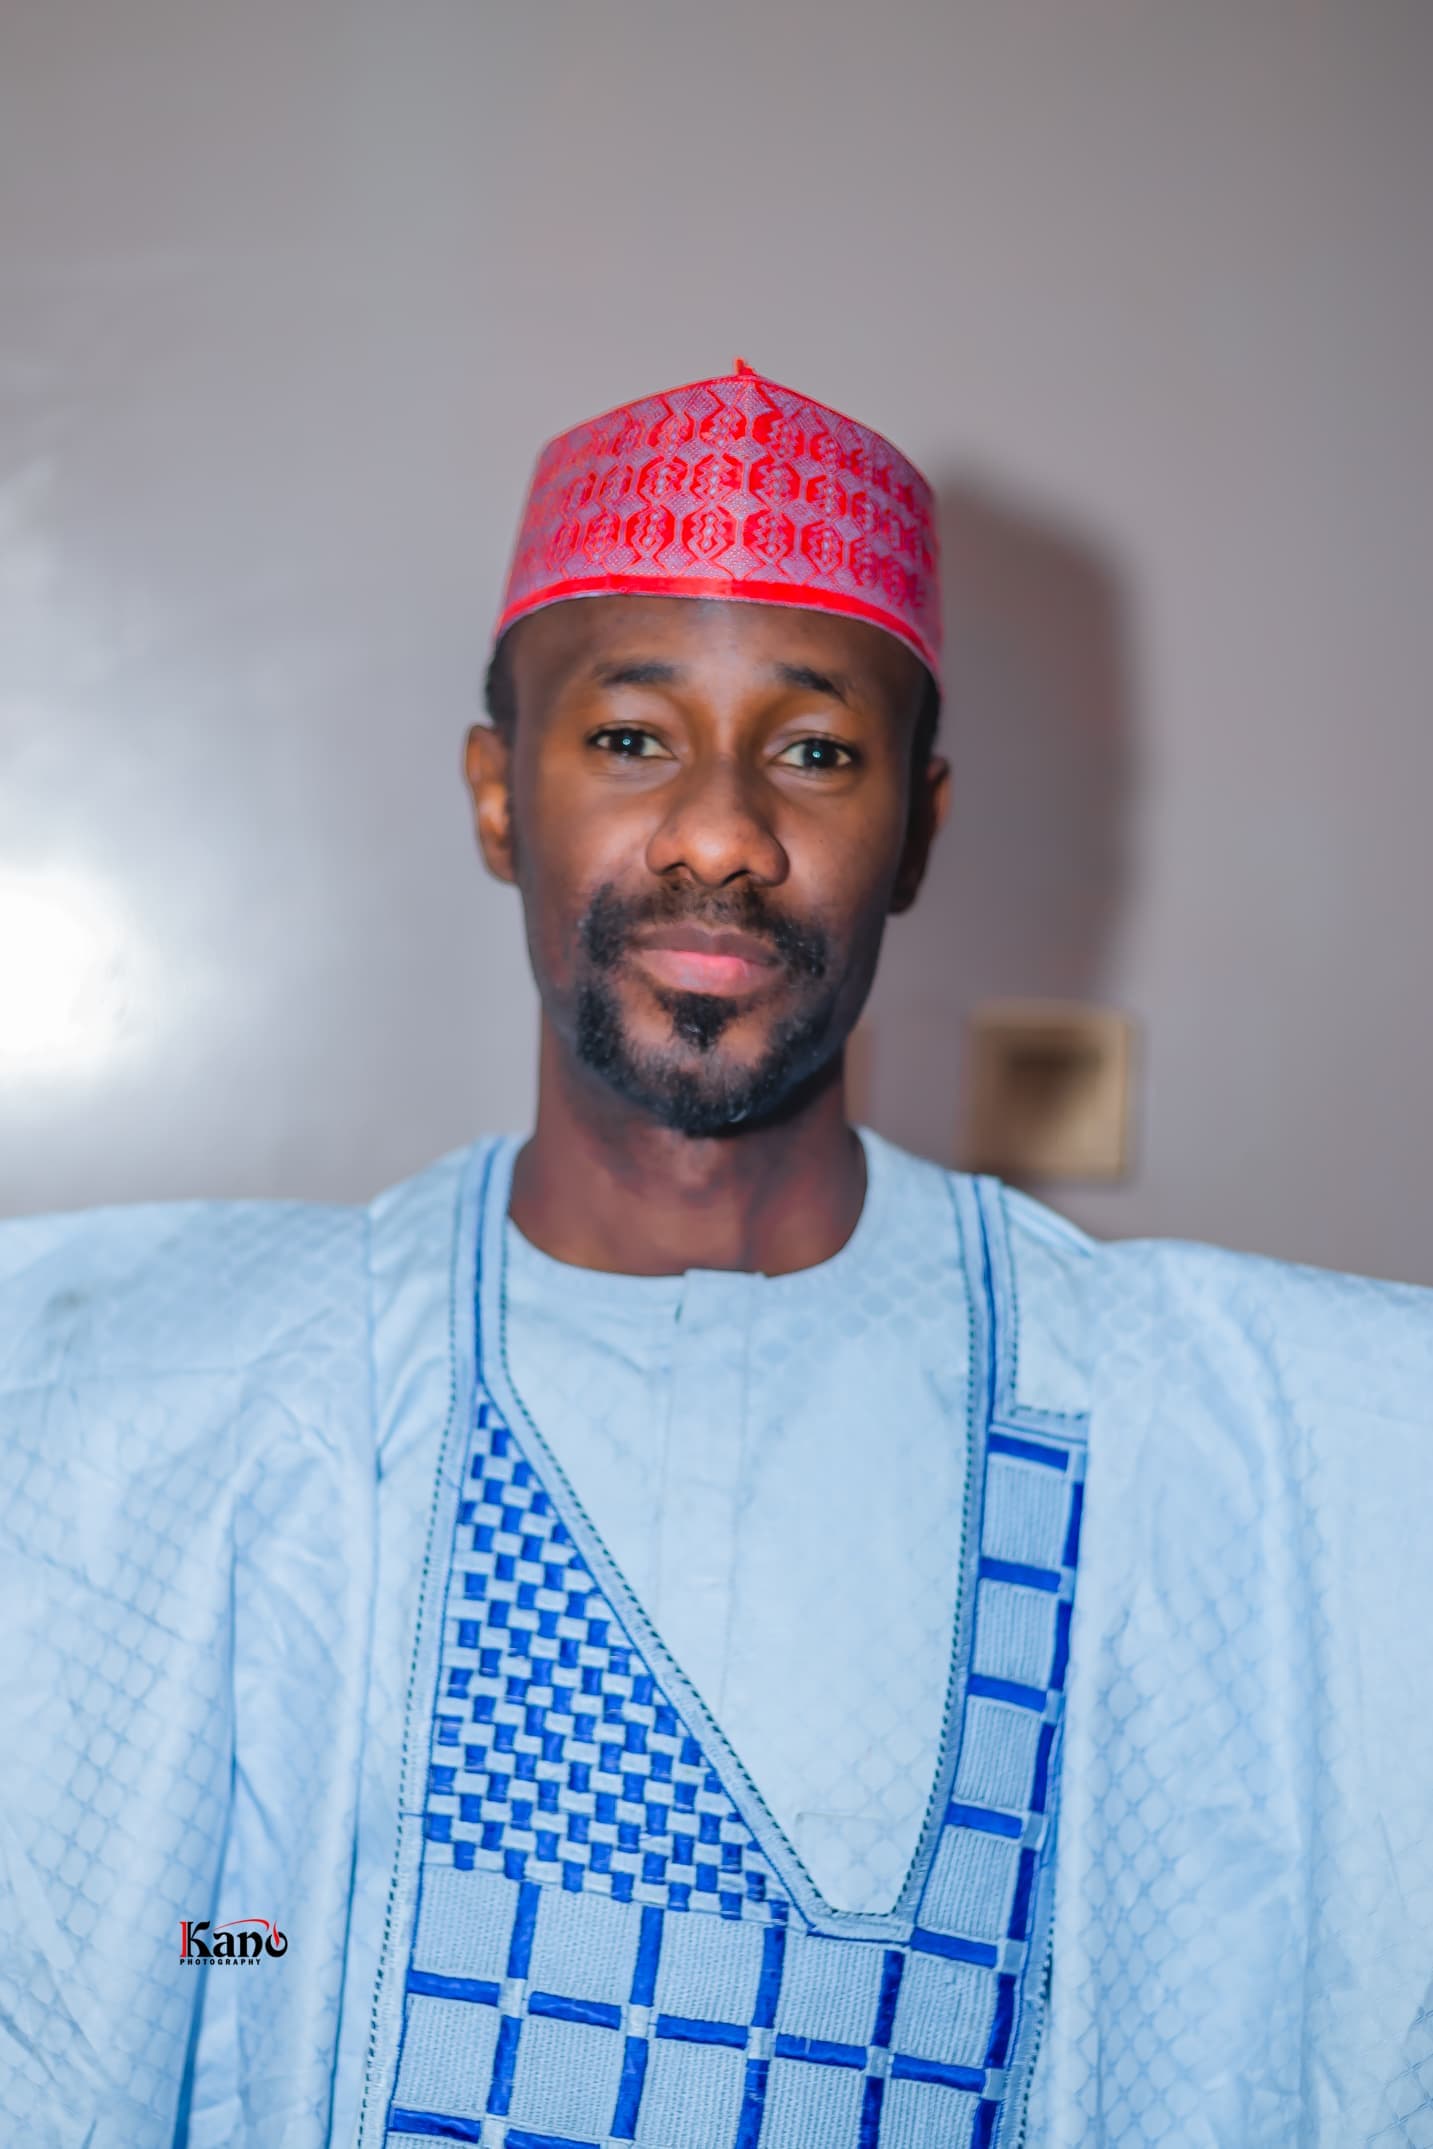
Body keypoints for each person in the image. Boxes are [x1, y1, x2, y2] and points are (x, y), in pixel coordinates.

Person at [1, 365, 1430, 2149]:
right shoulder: (196, 1403)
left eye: (816, 751)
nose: (716, 830)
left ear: (914, 825)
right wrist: (269, 1949)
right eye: (628, 736)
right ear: (496, 794)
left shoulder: (1201, 1434)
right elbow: (211, 1945)